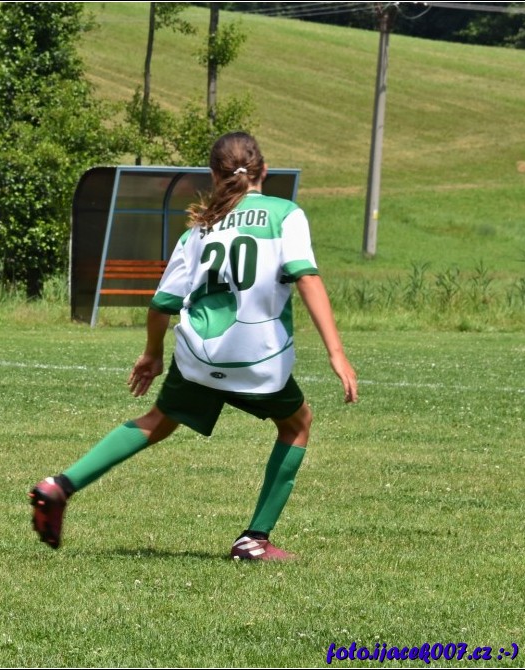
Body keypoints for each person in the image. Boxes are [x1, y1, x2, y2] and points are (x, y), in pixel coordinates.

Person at [29, 132, 358, 560]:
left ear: (212, 175)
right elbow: (307, 277)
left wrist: (152, 354)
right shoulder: (285, 213)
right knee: (296, 424)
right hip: (256, 358)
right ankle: (254, 540)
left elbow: (162, 304)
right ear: (265, 171)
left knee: (158, 421)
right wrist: (336, 352)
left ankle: (59, 485)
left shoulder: (200, 228)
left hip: (197, 355)